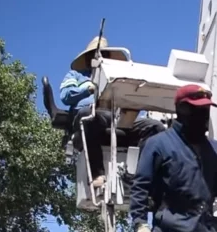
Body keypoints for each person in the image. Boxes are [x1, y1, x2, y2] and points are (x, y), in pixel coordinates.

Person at [128, 84, 217, 232]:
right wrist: (140, 224)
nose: (204, 115)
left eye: (206, 109)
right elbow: (141, 186)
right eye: (198, 109)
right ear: (182, 109)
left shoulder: (216, 150)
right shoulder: (158, 144)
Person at [60, 36, 165, 188]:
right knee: (88, 116)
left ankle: (136, 173)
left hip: (117, 118)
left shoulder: (116, 75)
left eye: (104, 54)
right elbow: (65, 96)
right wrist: (86, 89)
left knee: (155, 128)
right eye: (97, 54)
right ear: (90, 57)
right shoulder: (76, 76)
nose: (100, 57)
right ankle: (97, 174)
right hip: (93, 115)